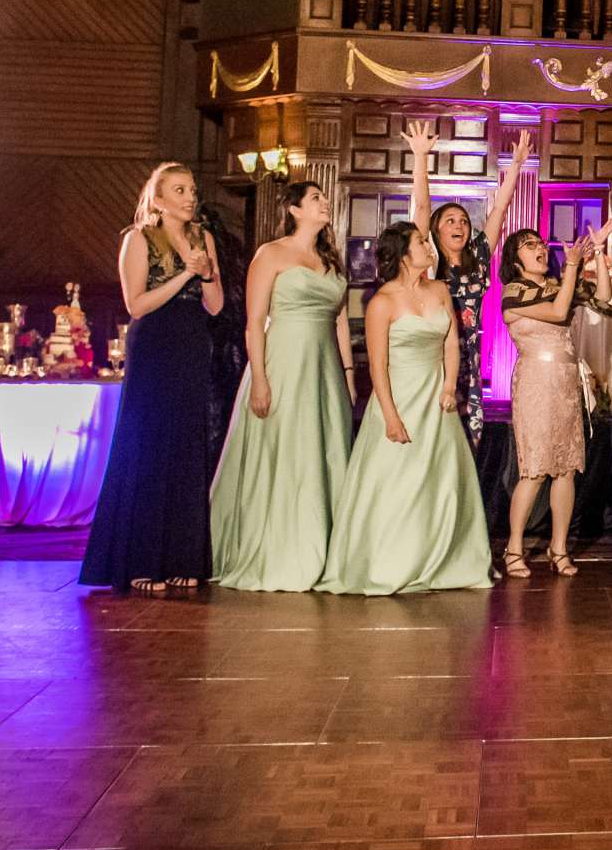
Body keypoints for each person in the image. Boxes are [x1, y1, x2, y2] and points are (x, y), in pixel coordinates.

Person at [319, 221, 496, 595]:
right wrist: (390, 415)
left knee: (440, 482)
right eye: (420, 241)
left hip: (436, 399)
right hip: (398, 397)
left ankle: (441, 558)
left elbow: (451, 341)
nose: (428, 246)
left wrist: (450, 387)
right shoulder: (382, 302)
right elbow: (378, 365)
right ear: (403, 253)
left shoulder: (440, 289)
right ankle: (389, 561)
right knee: (397, 484)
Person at [81, 163, 224, 593]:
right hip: (154, 347)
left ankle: (183, 557)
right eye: (179, 190)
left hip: (192, 344)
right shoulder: (137, 239)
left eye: (192, 189)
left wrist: (207, 274)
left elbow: (215, 306)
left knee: (186, 449)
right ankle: (139, 559)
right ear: (158, 199)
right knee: (146, 447)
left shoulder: (205, 238)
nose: (189, 196)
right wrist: (184, 272)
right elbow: (137, 305)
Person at [209, 181, 353, 592]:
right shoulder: (270, 254)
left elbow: (340, 319)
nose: (325, 204)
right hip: (284, 361)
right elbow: (254, 323)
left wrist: (346, 373)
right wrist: (259, 378)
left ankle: (326, 545)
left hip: (325, 367)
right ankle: (284, 545)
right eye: (316, 199)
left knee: (323, 449)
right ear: (293, 209)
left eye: (324, 199)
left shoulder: (330, 259)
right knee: (290, 448)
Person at [405, 119, 531, 541]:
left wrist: (515, 165)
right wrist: (421, 159)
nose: (458, 225)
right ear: (436, 234)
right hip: (435, 360)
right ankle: (425, 526)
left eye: (462, 219)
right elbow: (420, 213)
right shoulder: (430, 262)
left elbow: (499, 210)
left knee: (467, 445)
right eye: (450, 221)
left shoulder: (478, 256)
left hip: (472, 364)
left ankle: (457, 529)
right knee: (434, 443)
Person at [499, 225, 608, 578]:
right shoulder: (513, 293)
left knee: (566, 468)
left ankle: (558, 548)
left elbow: (604, 297)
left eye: (542, 244)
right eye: (530, 246)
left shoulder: (556, 287)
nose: (540, 249)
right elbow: (559, 313)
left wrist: (601, 253)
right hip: (535, 382)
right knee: (534, 467)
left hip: (564, 382)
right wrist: (572, 267)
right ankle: (514, 548)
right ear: (516, 260)